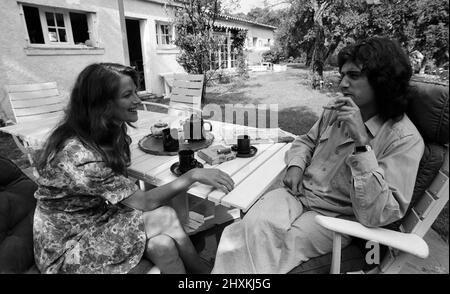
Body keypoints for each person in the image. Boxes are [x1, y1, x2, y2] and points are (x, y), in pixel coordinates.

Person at [212, 37, 425, 274]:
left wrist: (361, 142)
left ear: (382, 82)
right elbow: (306, 140)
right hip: (297, 195)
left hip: (336, 217)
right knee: (249, 227)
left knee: (276, 247)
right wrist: (296, 166)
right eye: (342, 75)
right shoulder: (337, 112)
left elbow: (380, 213)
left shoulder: (404, 139)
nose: (343, 84)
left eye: (353, 76)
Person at [33, 63, 234, 274]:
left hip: (97, 219)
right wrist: (192, 175)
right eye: (127, 95)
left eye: (135, 92)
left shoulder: (102, 132)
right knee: (164, 216)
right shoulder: (80, 155)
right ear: (102, 105)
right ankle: (205, 274)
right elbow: (145, 202)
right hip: (68, 247)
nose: (138, 100)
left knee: (163, 246)